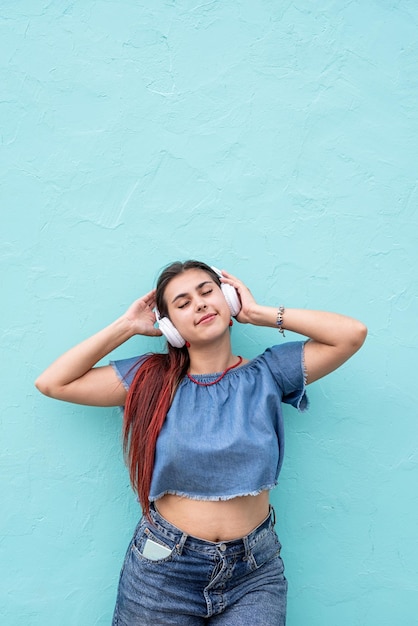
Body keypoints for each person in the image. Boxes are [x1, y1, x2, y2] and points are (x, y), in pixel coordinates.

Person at [35, 260, 367, 625]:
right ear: (169, 327)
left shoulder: (269, 373)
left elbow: (351, 334)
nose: (200, 304)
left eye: (207, 292)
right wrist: (127, 326)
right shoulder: (150, 380)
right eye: (182, 303)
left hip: (254, 574)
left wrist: (258, 313)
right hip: (164, 570)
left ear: (228, 299)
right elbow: (54, 382)